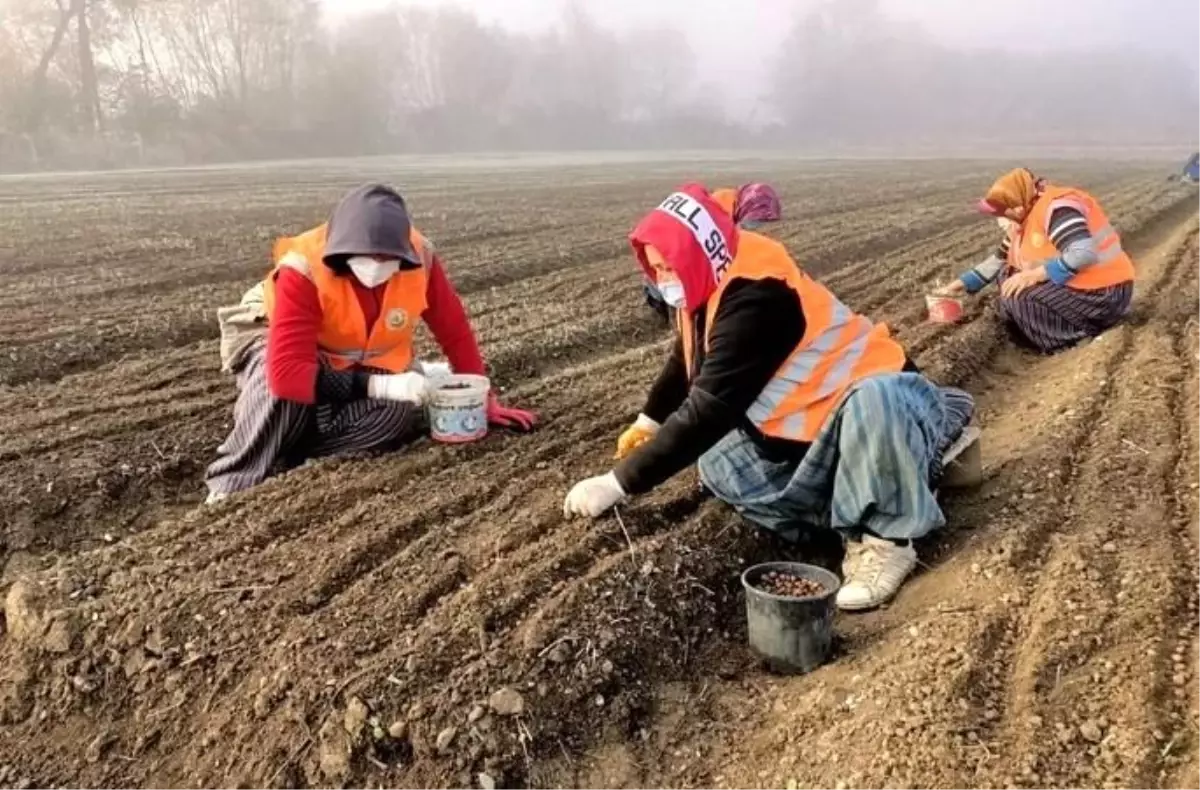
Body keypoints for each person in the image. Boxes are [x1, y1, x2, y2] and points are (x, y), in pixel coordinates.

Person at [565, 184, 975, 611]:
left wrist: (617, 483)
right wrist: (649, 420)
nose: (663, 281)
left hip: (874, 409)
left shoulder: (758, 295)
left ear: (694, 256)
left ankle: (890, 536)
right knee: (717, 463)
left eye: (668, 267)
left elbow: (711, 407)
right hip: (803, 434)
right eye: (655, 269)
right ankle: (847, 519)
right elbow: (686, 357)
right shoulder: (708, 275)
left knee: (876, 399)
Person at [205, 183, 537, 503]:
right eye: (366, 257)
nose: (377, 267)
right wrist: (382, 385)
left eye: (387, 258)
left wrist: (484, 399)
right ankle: (232, 478)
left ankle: (293, 444)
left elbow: (454, 330)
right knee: (277, 386)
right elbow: (288, 375)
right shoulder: (302, 268)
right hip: (285, 348)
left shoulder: (420, 257)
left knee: (395, 416)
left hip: (353, 359)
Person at [936, 168, 1135, 354]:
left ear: (1018, 205)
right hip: (1083, 284)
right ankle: (1040, 330)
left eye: (1004, 212)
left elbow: (1083, 253)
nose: (1002, 219)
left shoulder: (1057, 209)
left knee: (1020, 297)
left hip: (1105, 292)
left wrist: (1035, 275)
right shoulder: (1025, 218)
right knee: (1008, 276)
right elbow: (997, 261)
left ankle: (1071, 340)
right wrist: (955, 287)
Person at [643, 182, 782, 322]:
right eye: (758, 220)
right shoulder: (717, 213)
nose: (758, 226)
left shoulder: (729, 205)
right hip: (668, 272)